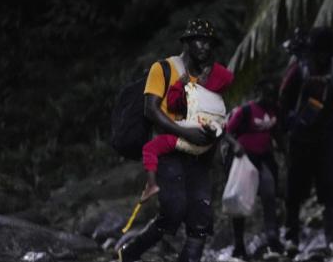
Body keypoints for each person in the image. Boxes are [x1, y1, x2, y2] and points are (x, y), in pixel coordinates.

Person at [118, 19, 229, 262]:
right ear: (187, 42)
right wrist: (184, 132)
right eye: (200, 40)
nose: (205, 47)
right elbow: (151, 110)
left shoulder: (210, 76)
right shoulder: (164, 68)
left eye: (210, 43)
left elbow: (215, 113)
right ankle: (128, 254)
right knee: (174, 211)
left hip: (198, 155)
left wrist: (217, 139)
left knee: (200, 219)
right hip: (169, 151)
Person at [279, 27, 333, 253]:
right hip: (300, 139)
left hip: (327, 139)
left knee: (331, 192)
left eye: (325, 52)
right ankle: (292, 239)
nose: (321, 56)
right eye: (318, 51)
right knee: (294, 191)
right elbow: (283, 103)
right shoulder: (298, 70)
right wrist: (287, 130)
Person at [139, 60, 234, 202]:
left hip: (186, 139)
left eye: (205, 75)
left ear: (212, 82)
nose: (200, 76)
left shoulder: (194, 92)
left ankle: (151, 185)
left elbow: (172, 103)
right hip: (205, 147)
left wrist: (179, 85)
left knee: (150, 148)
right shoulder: (219, 103)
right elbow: (222, 127)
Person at [225, 76, 284, 259]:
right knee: (239, 200)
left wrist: (284, 149)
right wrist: (235, 145)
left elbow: (276, 132)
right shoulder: (245, 110)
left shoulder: (274, 109)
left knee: (269, 192)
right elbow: (225, 131)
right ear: (258, 93)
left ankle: (272, 236)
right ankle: (238, 245)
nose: (269, 98)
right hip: (244, 159)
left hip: (264, 159)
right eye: (266, 94)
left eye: (272, 95)